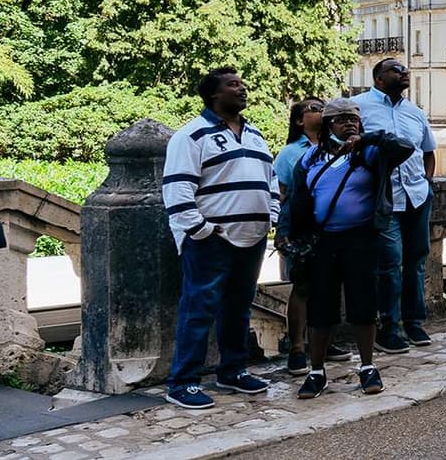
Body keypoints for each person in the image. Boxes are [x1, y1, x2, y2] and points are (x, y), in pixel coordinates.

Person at [285, 98, 418, 399]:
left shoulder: (369, 154)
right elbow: (295, 200)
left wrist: (367, 138)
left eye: (354, 118)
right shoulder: (309, 159)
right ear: (327, 124)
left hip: (361, 238)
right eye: (342, 118)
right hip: (322, 241)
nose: (349, 123)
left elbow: (405, 146)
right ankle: (316, 371)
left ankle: (368, 367)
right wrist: (288, 236)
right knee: (321, 307)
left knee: (363, 305)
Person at [162, 68, 278, 410]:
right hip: (213, 240)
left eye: (243, 83)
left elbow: (270, 182)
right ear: (213, 94)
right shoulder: (192, 136)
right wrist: (200, 230)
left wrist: (271, 215)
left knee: (238, 309)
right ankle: (182, 382)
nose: (242, 89)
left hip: (252, 238)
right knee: (198, 309)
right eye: (232, 85)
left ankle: (233, 370)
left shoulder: (256, 135)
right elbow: (178, 187)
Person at [354, 58, 439, 354]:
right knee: (390, 262)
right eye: (395, 69)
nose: (403, 72)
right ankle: (388, 327)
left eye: (404, 69)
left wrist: (427, 183)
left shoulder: (415, 112)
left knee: (417, 259)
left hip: (416, 194)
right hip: (383, 197)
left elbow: (428, 151)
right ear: (378, 78)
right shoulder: (359, 106)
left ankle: (413, 321)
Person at [273, 98, 351, 374]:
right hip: (302, 225)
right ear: (299, 120)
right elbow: (282, 193)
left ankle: (324, 343)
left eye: (323, 107)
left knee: (330, 284)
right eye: (314, 109)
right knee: (302, 285)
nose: (321, 111)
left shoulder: (341, 146)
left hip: (331, 225)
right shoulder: (290, 153)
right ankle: (296, 348)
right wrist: (285, 231)